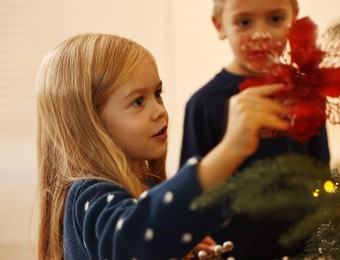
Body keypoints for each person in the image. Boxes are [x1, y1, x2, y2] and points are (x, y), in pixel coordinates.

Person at [36, 33, 291, 260]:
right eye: (138, 101)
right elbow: (132, 243)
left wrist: (176, 243)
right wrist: (230, 149)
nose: (159, 111)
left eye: (158, 93)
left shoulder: (144, 185)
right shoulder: (89, 194)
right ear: (89, 123)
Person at [180, 0, 330, 258]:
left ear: (293, 18)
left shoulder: (307, 91)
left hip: (301, 250)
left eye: (275, 19)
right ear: (220, 25)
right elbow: (192, 192)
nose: (261, 34)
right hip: (231, 251)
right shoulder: (203, 104)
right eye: (244, 22)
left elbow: (321, 170)